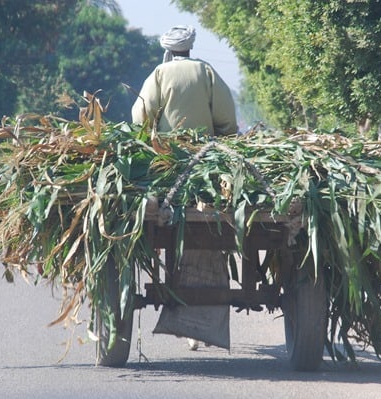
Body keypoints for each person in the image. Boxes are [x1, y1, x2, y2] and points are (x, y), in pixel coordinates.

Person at [135, 25, 236, 351]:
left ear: (168, 51)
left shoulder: (159, 74)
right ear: (189, 50)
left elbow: (141, 118)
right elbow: (226, 119)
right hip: (206, 165)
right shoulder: (206, 72)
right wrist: (223, 137)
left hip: (166, 169)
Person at [131, 25, 238, 136]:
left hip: (167, 146)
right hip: (205, 143)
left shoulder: (160, 72)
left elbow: (142, 112)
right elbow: (225, 111)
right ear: (190, 46)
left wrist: (145, 136)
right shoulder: (205, 70)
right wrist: (226, 134)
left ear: (169, 49)